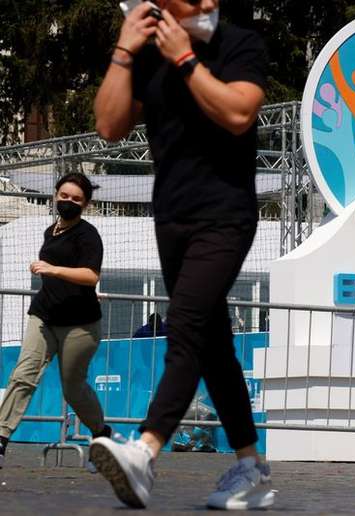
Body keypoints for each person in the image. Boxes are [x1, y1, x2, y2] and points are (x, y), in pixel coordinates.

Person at [90, 0, 271, 510]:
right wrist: (126, 49)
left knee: (186, 323)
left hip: (226, 215)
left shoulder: (239, 44)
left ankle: (144, 452)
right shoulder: (146, 54)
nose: (208, 2)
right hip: (171, 217)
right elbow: (108, 125)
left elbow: (238, 112)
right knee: (212, 343)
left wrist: (186, 60)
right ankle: (251, 465)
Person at [0, 173, 111, 469]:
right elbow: (52, 268)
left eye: (76, 199)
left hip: (80, 325)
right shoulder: (53, 230)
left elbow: (90, 275)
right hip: (44, 315)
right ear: (55, 196)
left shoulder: (88, 235)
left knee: (73, 388)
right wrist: (44, 268)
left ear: (86, 204)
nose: (68, 202)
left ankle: (102, 435)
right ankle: (0, 440)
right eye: (64, 196)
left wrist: (53, 269)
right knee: (23, 375)